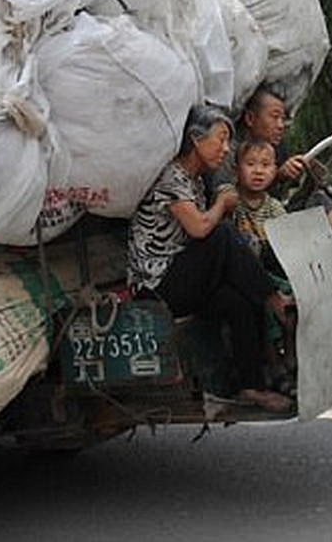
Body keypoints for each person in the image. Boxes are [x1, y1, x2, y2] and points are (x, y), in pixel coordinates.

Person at [127, 104, 295, 414]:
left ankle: (253, 386)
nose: (225, 148)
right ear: (195, 139)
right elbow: (200, 227)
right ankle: (277, 302)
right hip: (157, 285)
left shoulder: (196, 180)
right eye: (220, 139)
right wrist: (220, 204)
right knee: (222, 234)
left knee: (240, 301)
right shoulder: (171, 177)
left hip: (184, 277)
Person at [231, 136, 298, 395]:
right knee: (263, 304)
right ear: (237, 169)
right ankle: (274, 365)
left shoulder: (275, 208)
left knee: (297, 295)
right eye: (250, 164)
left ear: (275, 170)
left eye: (266, 165)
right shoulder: (232, 203)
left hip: (272, 271)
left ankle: (292, 355)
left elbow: (289, 241)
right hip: (247, 276)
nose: (258, 170)